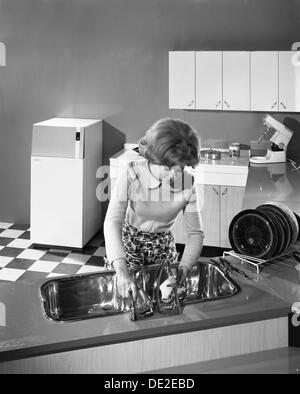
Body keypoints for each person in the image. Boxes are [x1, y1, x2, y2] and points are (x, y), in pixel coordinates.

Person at [104, 118, 204, 300]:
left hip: (163, 248)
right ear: (152, 157)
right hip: (128, 245)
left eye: (180, 167)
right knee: (128, 302)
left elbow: (195, 234)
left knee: (163, 305)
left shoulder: (188, 183)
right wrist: (120, 269)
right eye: (167, 168)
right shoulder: (131, 172)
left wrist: (184, 269)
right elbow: (113, 221)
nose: (175, 175)